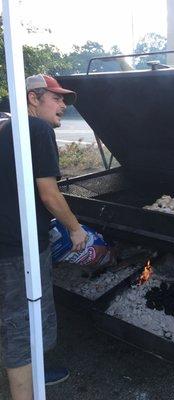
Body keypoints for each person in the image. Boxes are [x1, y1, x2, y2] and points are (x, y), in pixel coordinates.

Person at [0, 74, 87, 400]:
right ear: (33, 98)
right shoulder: (37, 129)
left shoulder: (9, 129)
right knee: (21, 323)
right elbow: (49, 194)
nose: (63, 104)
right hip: (17, 247)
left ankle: (37, 371)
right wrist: (75, 228)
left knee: (25, 314)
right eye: (56, 97)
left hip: (11, 239)